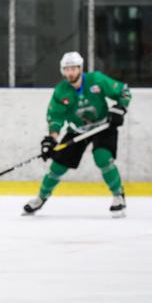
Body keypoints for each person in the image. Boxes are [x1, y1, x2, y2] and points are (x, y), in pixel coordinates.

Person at [23, 51, 132, 217]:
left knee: (102, 158)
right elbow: (56, 117)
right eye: (66, 69)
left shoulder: (96, 79)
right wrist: (52, 139)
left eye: (73, 68)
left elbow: (124, 91)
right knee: (57, 166)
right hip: (77, 130)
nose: (70, 72)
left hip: (102, 127)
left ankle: (119, 196)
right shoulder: (61, 91)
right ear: (62, 71)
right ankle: (41, 198)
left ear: (80, 68)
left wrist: (120, 108)